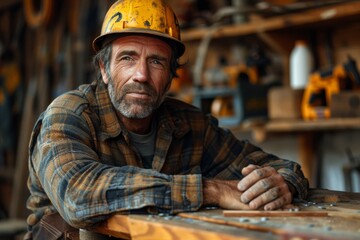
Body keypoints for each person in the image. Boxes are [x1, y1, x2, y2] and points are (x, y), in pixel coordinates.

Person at [26, 0, 309, 238]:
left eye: (157, 61)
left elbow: (277, 166)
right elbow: (79, 195)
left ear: (171, 75)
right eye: (127, 58)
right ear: (103, 68)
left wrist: (280, 185)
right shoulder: (68, 115)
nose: (141, 75)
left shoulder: (188, 125)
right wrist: (210, 190)